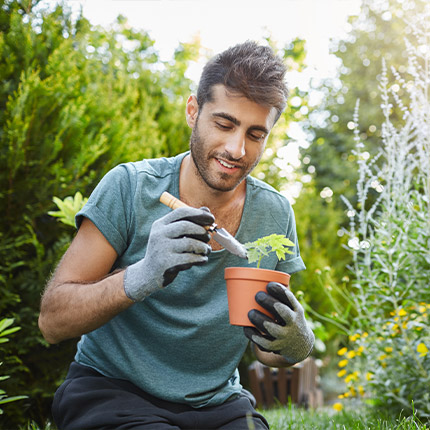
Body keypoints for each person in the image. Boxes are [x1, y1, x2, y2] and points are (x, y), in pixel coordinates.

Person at [39, 40, 315, 430]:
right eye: (224, 124)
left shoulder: (275, 213)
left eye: (255, 134)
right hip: (113, 393)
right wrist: (143, 274)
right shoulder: (129, 188)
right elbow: (52, 321)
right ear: (193, 111)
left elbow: (265, 348)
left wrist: (297, 341)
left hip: (218, 402)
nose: (236, 149)